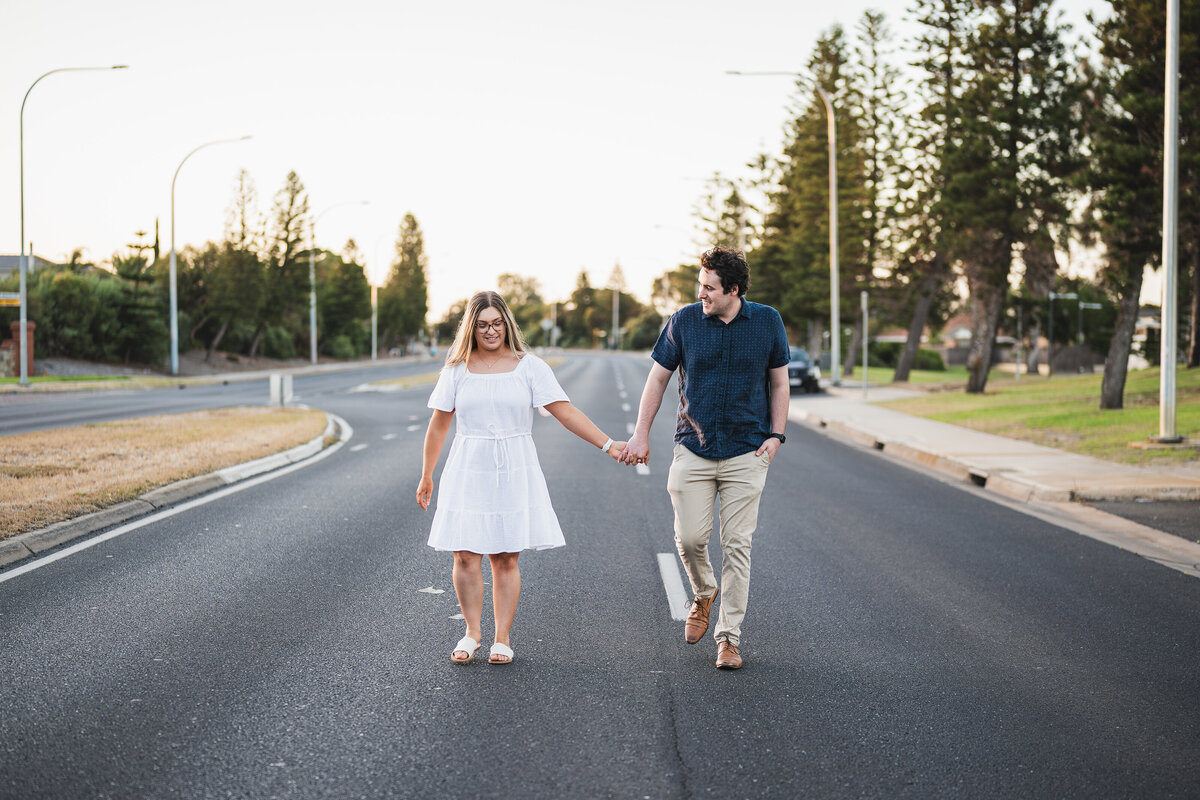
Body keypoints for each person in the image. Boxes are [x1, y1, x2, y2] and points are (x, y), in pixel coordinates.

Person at [417, 290, 626, 665]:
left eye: (497, 323)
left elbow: (564, 412)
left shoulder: (530, 367)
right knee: (465, 554)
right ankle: (472, 633)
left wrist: (608, 444)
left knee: (505, 556)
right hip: (469, 466)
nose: (490, 330)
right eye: (482, 325)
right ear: (471, 328)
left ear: (507, 324)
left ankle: (502, 638)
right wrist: (427, 474)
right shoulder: (456, 370)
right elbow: (438, 425)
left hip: (514, 466)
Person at [621, 246, 789, 670]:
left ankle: (729, 638)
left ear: (733, 290)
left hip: (747, 452)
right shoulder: (684, 321)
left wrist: (776, 436)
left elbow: (780, 383)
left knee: (737, 545)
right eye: (700, 286)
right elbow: (658, 378)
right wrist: (640, 434)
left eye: (709, 288)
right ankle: (703, 591)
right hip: (692, 448)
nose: (702, 294)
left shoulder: (767, 321)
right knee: (691, 539)